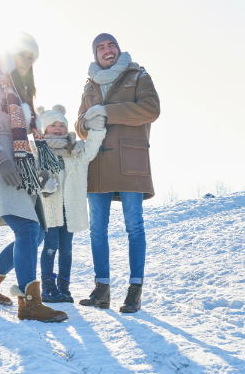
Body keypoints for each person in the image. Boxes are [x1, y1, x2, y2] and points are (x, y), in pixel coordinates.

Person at [0, 32, 67, 323]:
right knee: (27, 229)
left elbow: (24, 142)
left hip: (20, 168)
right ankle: (30, 303)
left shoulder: (22, 97)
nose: (27, 60)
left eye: (32, 57)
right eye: (24, 53)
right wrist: (0, 160)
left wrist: (39, 171)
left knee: (34, 235)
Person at [75, 33, 160, 313]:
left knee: (134, 227)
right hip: (97, 163)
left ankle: (134, 291)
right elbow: (79, 125)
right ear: (95, 55)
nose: (106, 50)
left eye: (110, 45)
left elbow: (151, 109)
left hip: (129, 159)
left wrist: (108, 112)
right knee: (97, 229)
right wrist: (88, 123)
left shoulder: (137, 74)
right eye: (100, 48)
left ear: (118, 50)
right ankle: (102, 290)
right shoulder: (88, 85)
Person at [36, 105, 106, 303]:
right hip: (50, 207)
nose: (57, 128)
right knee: (50, 245)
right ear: (44, 129)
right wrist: (42, 186)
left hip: (70, 208)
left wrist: (96, 129)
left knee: (66, 247)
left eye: (61, 125)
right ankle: (48, 287)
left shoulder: (76, 150)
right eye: (52, 125)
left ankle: (64, 288)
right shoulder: (38, 149)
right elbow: (31, 175)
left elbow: (91, 150)